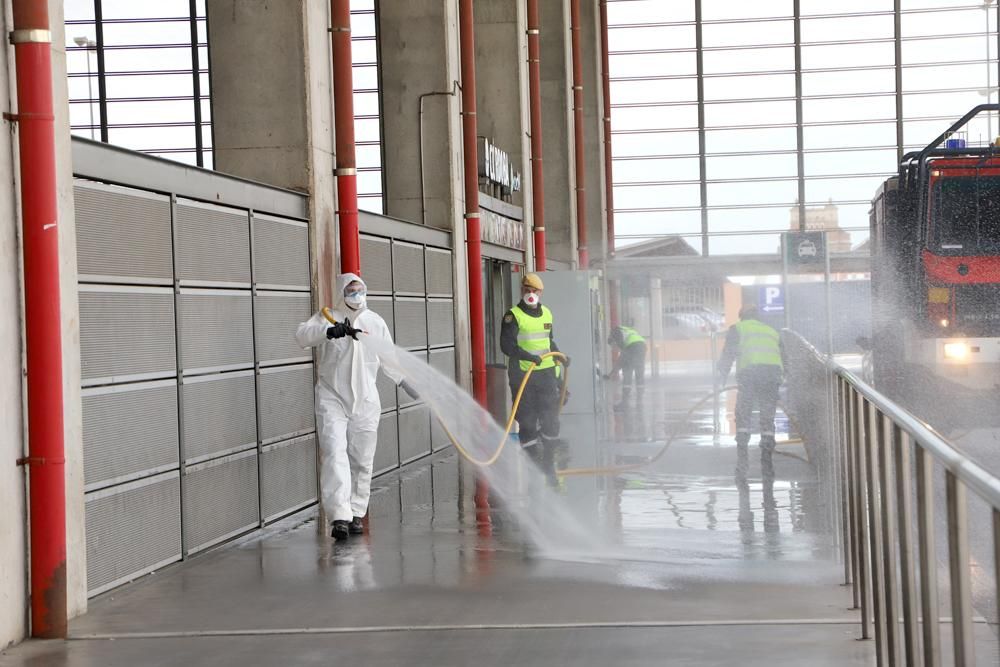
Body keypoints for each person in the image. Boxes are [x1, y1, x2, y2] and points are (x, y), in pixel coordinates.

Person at [296, 273, 417, 541]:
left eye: (360, 290)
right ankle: (339, 515)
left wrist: (405, 381)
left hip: (365, 401)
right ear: (342, 292)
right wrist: (328, 331)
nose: (356, 295)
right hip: (332, 398)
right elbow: (302, 336)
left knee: (362, 460)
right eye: (351, 290)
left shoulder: (375, 321)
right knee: (334, 452)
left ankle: (356, 512)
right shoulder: (327, 317)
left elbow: (389, 357)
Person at [499, 272, 569, 483]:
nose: (531, 294)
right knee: (527, 423)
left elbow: (549, 343)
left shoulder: (547, 313)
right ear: (522, 291)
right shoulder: (513, 316)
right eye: (527, 290)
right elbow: (507, 346)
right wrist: (528, 357)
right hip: (523, 376)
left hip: (546, 376)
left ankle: (548, 465)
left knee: (551, 421)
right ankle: (532, 466)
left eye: (535, 291)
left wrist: (562, 357)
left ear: (540, 293)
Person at [716, 304, 785, 474]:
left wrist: (722, 374)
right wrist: (783, 377)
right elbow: (784, 356)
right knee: (767, 408)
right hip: (773, 372)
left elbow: (729, 353)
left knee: (744, 406)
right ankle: (768, 438)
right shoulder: (771, 330)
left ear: (742, 317)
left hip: (751, 370)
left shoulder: (738, 328)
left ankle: (742, 438)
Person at [605, 323, 647, 410]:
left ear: (613, 340)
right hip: (642, 346)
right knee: (639, 372)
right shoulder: (624, 330)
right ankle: (639, 402)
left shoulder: (616, 333)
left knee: (627, 372)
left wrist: (612, 373)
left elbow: (621, 359)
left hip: (633, 347)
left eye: (613, 346)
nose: (614, 348)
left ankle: (624, 403)